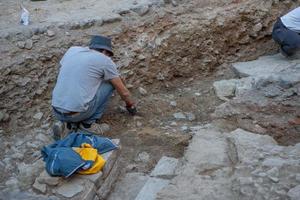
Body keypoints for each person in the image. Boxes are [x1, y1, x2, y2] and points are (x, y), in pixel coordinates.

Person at [51, 35, 137, 138]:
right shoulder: (105, 60)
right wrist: (130, 105)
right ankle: (87, 124)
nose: (109, 57)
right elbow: (123, 92)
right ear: (105, 52)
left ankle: (65, 124)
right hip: (78, 114)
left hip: (56, 110)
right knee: (111, 84)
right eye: (109, 54)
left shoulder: (72, 50)